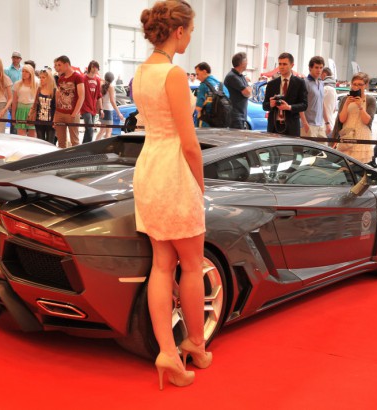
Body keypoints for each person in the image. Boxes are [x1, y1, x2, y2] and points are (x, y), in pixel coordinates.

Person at [134, 0, 210, 390]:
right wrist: (200, 184)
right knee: (192, 264)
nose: (190, 37)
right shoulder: (174, 74)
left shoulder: (140, 72)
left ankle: (167, 351)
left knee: (162, 264)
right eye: (190, 31)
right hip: (175, 170)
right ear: (178, 31)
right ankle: (195, 343)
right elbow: (190, 143)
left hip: (148, 167)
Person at [332, 72, 376, 163]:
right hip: (347, 136)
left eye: (360, 84)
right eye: (354, 84)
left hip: (362, 138)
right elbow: (341, 119)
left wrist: (360, 106)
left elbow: (367, 121)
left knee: (360, 166)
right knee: (344, 165)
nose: (357, 87)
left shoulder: (370, 99)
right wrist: (346, 104)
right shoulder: (345, 99)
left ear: (366, 85)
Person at [263, 52, 308, 136]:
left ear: (292, 65)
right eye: (280, 64)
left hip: (292, 126)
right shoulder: (271, 84)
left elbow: (304, 105)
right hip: (274, 126)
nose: (281, 67)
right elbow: (264, 106)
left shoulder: (299, 83)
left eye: (284, 64)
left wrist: (289, 107)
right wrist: (271, 104)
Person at [53, 55, 84, 148]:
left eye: (59, 65)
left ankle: (76, 157)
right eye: (56, 65)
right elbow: (58, 95)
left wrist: (74, 113)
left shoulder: (77, 77)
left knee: (75, 141)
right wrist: (56, 114)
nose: (57, 68)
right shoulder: (61, 78)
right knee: (61, 142)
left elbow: (82, 96)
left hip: (72, 113)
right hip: (60, 113)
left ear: (66, 64)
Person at [299, 56, 331, 141]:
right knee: (308, 149)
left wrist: (327, 123)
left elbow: (322, 104)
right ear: (310, 68)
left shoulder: (321, 83)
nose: (319, 70)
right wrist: (305, 123)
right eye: (316, 67)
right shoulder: (304, 82)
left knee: (324, 148)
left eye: (321, 68)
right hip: (308, 125)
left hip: (320, 125)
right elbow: (300, 104)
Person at [194, 61, 229, 127]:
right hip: (222, 123)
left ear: (204, 71)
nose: (197, 77)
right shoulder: (221, 85)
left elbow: (198, 108)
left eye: (197, 74)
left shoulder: (203, 86)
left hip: (206, 123)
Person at [224, 52, 252, 129]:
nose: (247, 63)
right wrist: (249, 87)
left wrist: (248, 89)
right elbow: (247, 93)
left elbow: (248, 92)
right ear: (241, 63)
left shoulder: (240, 76)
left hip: (240, 115)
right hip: (235, 117)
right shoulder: (232, 76)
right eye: (246, 61)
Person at [95, 71, 124, 141]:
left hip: (103, 109)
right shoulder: (111, 87)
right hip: (108, 110)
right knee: (108, 132)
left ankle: (94, 145)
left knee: (102, 131)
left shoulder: (102, 86)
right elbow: (112, 101)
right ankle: (106, 147)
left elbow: (100, 99)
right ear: (112, 79)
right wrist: (119, 113)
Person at [31, 68, 56, 144]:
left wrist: (55, 120)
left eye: (43, 77)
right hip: (39, 120)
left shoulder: (54, 90)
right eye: (40, 77)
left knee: (50, 142)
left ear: (49, 78)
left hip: (51, 121)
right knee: (40, 142)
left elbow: (56, 107)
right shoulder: (39, 89)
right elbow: (35, 103)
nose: (41, 79)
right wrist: (31, 113)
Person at [12, 64, 37, 137]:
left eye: (26, 72)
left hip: (31, 110)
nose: (24, 73)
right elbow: (14, 101)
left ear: (31, 73)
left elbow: (37, 100)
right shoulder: (17, 84)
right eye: (23, 71)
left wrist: (34, 112)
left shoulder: (36, 84)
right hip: (20, 109)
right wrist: (13, 116)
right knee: (21, 135)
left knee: (32, 135)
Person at [81, 60, 103, 143]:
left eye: (96, 67)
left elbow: (99, 96)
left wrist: (101, 109)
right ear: (90, 67)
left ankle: (84, 146)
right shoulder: (83, 78)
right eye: (93, 67)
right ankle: (86, 146)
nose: (94, 69)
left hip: (93, 107)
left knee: (89, 129)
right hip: (85, 107)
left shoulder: (97, 80)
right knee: (90, 128)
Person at [5, 51, 23, 135]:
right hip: (12, 98)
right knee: (13, 119)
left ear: (20, 59)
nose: (15, 59)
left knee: (22, 119)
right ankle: (13, 137)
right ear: (11, 58)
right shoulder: (7, 70)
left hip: (22, 98)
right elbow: (5, 86)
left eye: (17, 58)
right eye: (14, 57)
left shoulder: (24, 70)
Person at [322, 67, 337, 138]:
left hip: (323, 125)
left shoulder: (325, 89)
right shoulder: (334, 90)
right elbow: (334, 110)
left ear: (324, 74)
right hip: (331, 124)